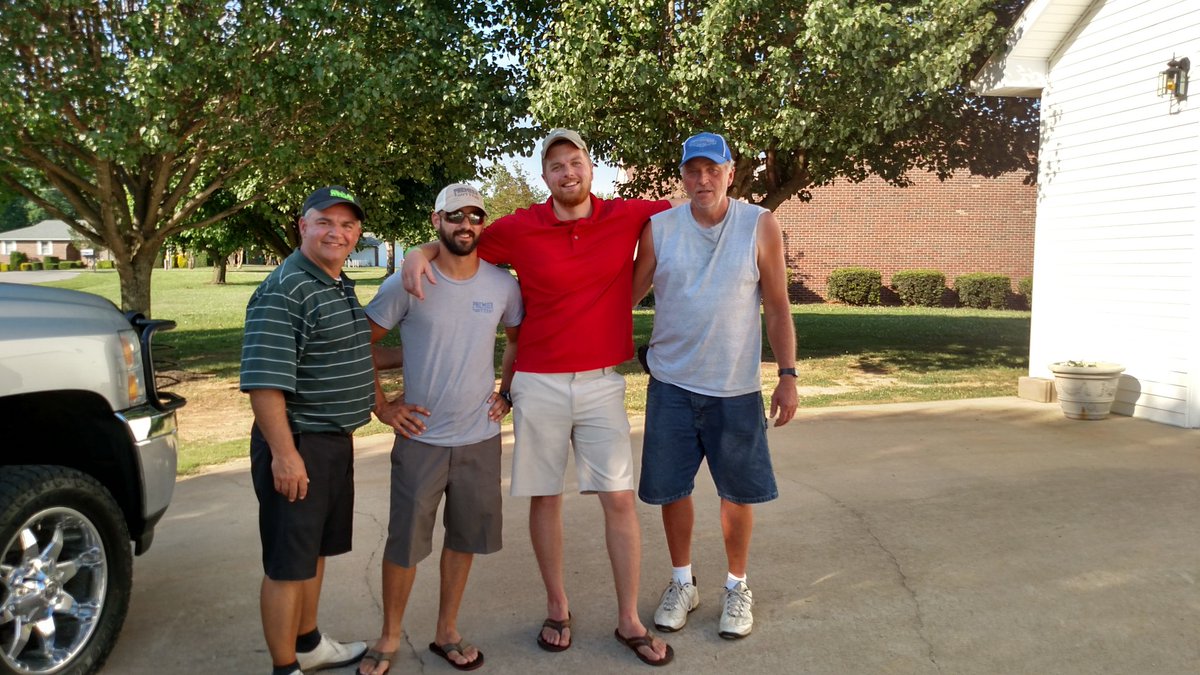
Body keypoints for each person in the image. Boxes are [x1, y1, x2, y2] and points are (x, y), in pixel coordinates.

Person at [402, 129, 676, 666]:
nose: (567, 172)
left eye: (576, 162)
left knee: (618, 497)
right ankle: (557, 607)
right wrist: (420, 249)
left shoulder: (627, 214)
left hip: (601, 381)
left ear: (591, 167)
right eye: (556, 166)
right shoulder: (521, 227)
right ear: (544, 177)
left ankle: (629, 619)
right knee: (545, 496)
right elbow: (464, 239)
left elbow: (679, 213)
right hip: (538, 381)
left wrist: (634, 288)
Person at [631, 132, 798, 640]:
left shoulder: (759, 225)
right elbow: (622, 296)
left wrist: (787, 375)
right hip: (672, 385)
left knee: (737, 493)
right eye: (692, 170)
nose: (702, 179)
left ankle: (736, 586)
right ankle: (683, 582)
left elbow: (777, 307)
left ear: (730, 173)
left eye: (712, 170)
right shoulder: (659, 229)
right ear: (682, 176)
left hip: (735, 389)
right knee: (671, 490)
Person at [357, 183, 522, 675]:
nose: (465, 224)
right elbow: (360, 339)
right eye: (456, 216)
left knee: (464, 537)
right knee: (405, 542)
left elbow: (516, 339)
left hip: (480, 437)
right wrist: (382, 407)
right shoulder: (409, 280)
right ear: (436, 221)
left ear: (483, 224)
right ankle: (388, 637)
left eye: (475, 216)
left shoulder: (502, 285)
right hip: (420, 439)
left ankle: (446, 631)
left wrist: (505, 391)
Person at [240, 186, 376, 675]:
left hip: (332, 443)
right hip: (298, 443)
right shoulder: (285, 289)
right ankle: (285, 668)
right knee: (286, 563)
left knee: (314, 552)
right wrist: (284, 455)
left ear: (358, 233)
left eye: (347, 225)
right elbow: (263, 383)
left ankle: (310, 643)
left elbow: (348, 353)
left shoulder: (336, 282)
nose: (336, 232)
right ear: (302, 226)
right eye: (325, 222)